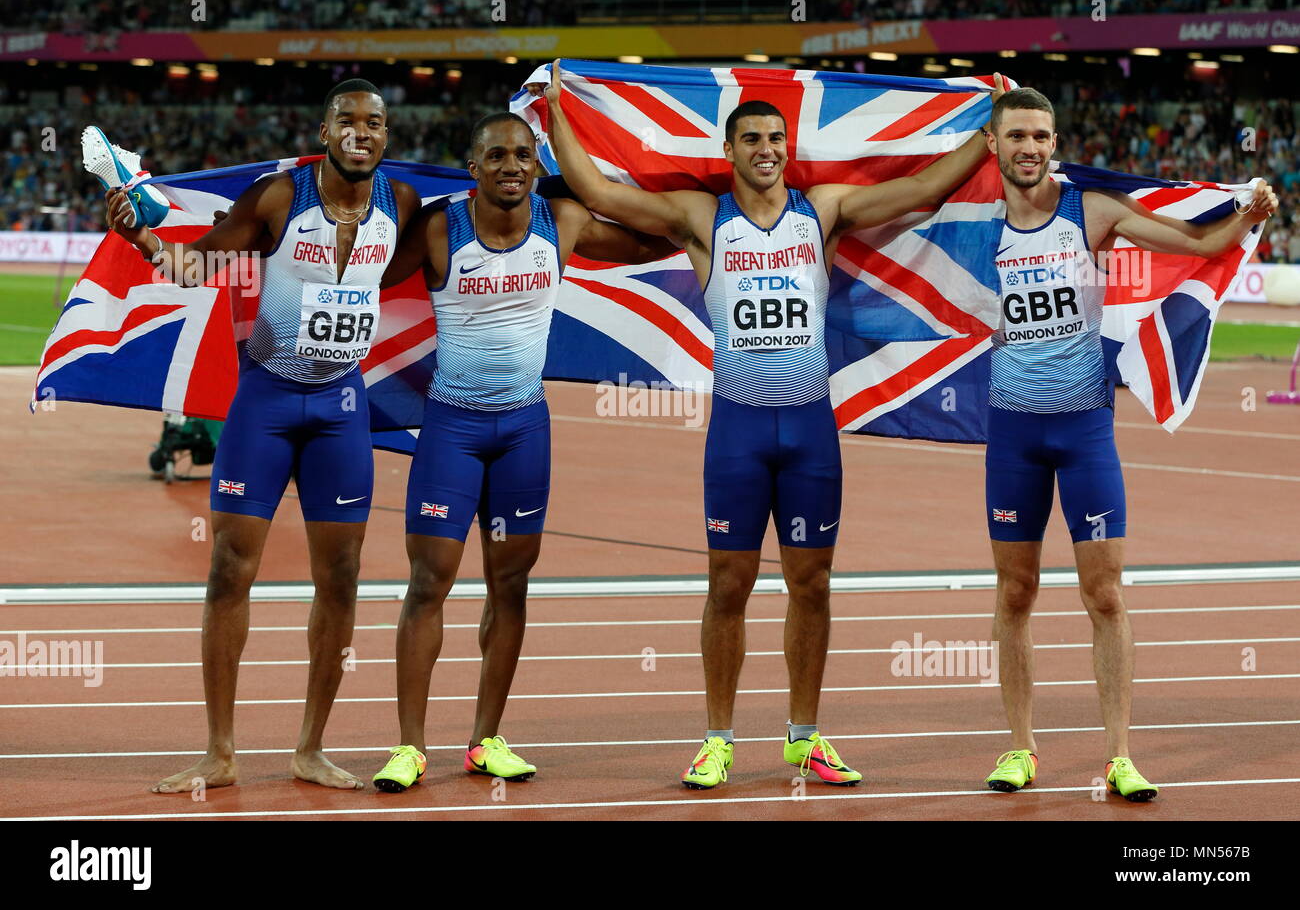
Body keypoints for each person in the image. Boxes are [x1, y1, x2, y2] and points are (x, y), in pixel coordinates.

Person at [545, 61, 1006, 789]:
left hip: (809, 430)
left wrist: (987, 137)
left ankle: (804, 735)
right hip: (738, 429)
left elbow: (921, 189)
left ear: (788, 149)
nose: (766, 148)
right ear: (728, 150)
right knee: (726, 585)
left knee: (812, 585)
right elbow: (601, 192)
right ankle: (718, 737)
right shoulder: (702, 217)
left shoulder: (820, 209)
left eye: (776, 138)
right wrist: (555, 111)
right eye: (752, 137)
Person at [105, 79, 420, 792]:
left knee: (341, 578)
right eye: (348, 119)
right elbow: (202, 264)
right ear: (325, 127)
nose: (361, 131)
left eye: (375, 122)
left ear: (387, 136)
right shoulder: (283, 197)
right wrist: (142, 236)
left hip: (342, 405)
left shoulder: (399, 205)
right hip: (267, 402)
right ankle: (220, 750)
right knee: (227, 568)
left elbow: (410, 270)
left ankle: (310, 747)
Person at [980, 87, 1278, 801]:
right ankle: (1019, 748)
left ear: (1056, 143)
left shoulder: (1093, 210)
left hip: (1085, 428)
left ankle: (1119, 755)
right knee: (1015, 590)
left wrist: (1250, 209)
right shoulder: (973, 225)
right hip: (1012, 432)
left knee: (1105, 593)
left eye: (1041, 136)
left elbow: (1200, 243)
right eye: (1016, 134)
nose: (1029, 147)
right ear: (992, 144)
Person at [370, 111, 675, 791]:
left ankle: (485, 739)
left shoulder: (560, 222)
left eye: (523, 155)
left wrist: (697, 213)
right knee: (429, 581)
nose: (512, 164)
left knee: (510, 584)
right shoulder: (442, 228)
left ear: (538, 165)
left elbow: (650, 243)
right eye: (497, 155)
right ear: (472, 166)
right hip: (451, 428)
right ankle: (409, 746)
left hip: (523, 433)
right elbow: (362, 275)